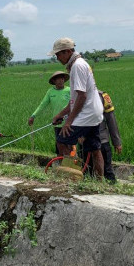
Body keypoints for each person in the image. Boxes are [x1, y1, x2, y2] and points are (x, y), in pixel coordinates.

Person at [49, 38, 105, 179]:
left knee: (62, 140)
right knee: (94, 148)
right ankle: (100, 180)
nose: (57, 58)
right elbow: (74, 100)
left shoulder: (77, 66)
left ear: (67, 51)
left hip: (85, 113)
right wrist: (60, 115)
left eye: (58, 55)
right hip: (94, 113)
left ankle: (71, 177)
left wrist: (68, 122)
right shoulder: (79, 64)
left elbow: (81, 96)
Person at [82, 90, 123, 183]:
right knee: (87, 173)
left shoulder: (103, 96)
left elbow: (111, 120)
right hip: (84, 141)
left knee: (107, 172)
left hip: (101, 141)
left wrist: (117, 142)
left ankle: (111, 192)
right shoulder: (78, 96)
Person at [28, 71, 71, 154]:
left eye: (62, 79)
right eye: (58, 79)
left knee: (68, 144)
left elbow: (74, 105)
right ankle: (60, 161)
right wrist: (33, 116)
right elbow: (42, 105)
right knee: (59, 144)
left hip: (68, 123)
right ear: (54, 81)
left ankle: (71, 163)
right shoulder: (50, 92)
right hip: (57, 123)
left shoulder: (69, 90)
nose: (60, 81)